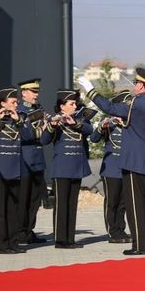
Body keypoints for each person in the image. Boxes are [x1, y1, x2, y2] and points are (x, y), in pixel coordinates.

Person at [78, 67, 145, 255]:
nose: (134, 87)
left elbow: (108, 107)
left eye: (136, 84)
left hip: (133, 161)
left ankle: (140, 246)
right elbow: (135, 122)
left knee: (134, 205)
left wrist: (91, 91)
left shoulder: (135, 104)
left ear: (141, 86)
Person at [42, 90, 93, 249]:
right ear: (62, 106)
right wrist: (51, 126)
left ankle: (70, 238)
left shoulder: (79, 119)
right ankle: (60, 239)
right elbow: (44, 140)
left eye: (75, 103)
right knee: (62, 204)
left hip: (76, 166)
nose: (75, 106)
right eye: (71, 104)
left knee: (72, 204)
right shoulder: (54, 120)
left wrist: (74, 123)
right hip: (62, 168)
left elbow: (89, 131)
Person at [0, 88, 33, 254]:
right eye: (13, 102)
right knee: (1, 209)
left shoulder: (20, 118)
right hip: (0, 169)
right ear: (3, 103)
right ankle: (1, 244)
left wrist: (19, 121)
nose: (16, 104)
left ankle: (13, 242)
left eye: (16, 102)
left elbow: (29, 136)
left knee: (14, 208)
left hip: (15, 168)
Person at [89, 90, 132, 244]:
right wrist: (101, 127)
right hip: (111, 168)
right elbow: (93, 139)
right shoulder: (109, 123)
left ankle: (121, 229)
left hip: (126, 167)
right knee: (112, 202)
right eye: (126, 104)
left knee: (123, 203)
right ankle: (112, 232)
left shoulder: (130, 122)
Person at [16, 78, 48, 244]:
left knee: (35, 198)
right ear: (24, 93)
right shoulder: (19, 110)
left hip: (37, 157)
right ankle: (20, 230)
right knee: (24, 197)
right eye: (33, 92)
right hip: (25, 158)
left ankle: (29, 229)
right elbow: (23, 135)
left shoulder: (39, 109)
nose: (36, 95)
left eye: (37, 92)